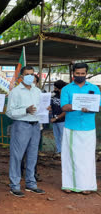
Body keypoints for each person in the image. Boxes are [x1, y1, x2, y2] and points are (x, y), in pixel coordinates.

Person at [6, 66, 45, 197]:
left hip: (36, 126)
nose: (30, 76)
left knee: (33, 155)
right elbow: (9, 112)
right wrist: (25, 110)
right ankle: (15, 185)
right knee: (17, 156)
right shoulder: (15, 92)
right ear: (21, 77)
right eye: (27, 74)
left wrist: (47, 108)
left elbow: (41, 108)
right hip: (21, 125)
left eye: (32, 74)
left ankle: (31, 183)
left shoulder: (37, 91)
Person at [60, 62, 99, 195]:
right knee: (70, 156)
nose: (80, 76)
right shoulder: (66, 89)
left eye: (83, 74)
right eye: (78, 74)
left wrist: (91, 108)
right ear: (73, 74)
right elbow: (64, 107)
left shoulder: (94, 88)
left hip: (89, 127)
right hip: (72, 127)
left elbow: (98, 107)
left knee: (87, 157)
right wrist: (77, 105)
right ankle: (68, 184)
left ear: (86, 74)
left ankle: (86, 185)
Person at [50, 80, 67, 154]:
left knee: (63, 138)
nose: (54, 89)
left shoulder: (65, 97)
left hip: (62, 121)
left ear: (61, 88)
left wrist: (56, 118)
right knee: (57, 137)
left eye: (56, 88)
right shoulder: (54, 96)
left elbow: (66, 112)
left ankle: (64, 153)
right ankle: (59, 151)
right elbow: (51, 106)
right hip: (55, 121)